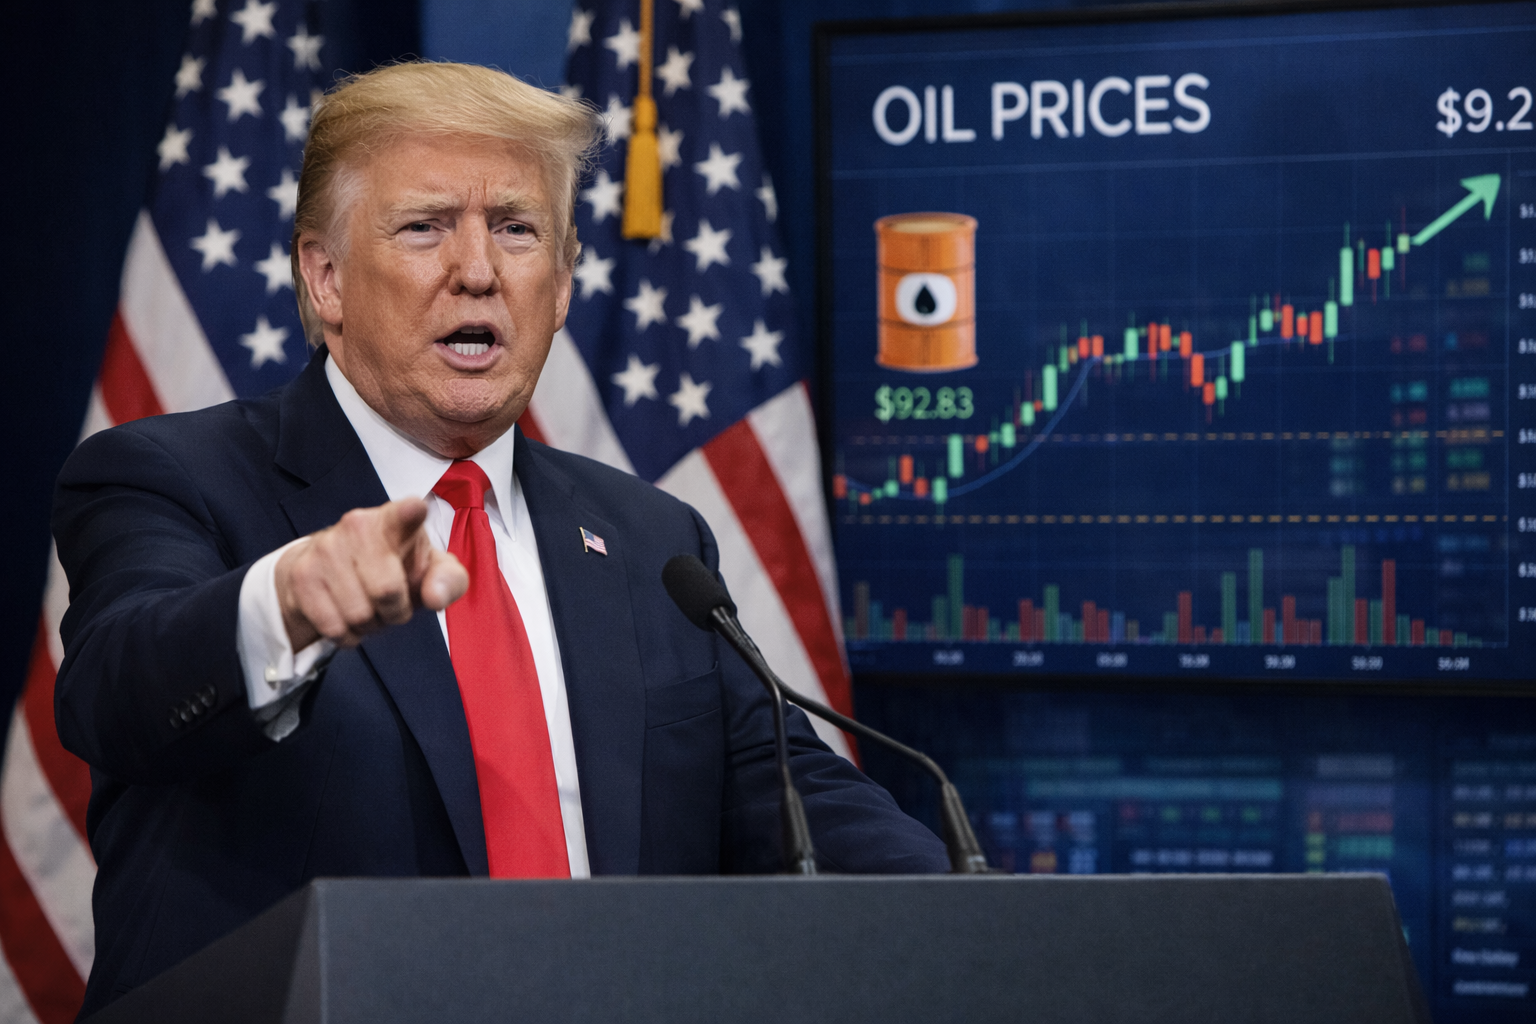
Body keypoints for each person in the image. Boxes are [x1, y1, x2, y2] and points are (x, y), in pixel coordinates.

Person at [52, 61, 947, 1016]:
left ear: (561, 284)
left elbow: (793, 799)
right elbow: (119, 689)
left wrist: (976, 919)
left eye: (516, 229)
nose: (477, 269)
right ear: (325, 277)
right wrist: (288, 602)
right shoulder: (171, 478)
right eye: (424, 226)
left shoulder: (652, 539)